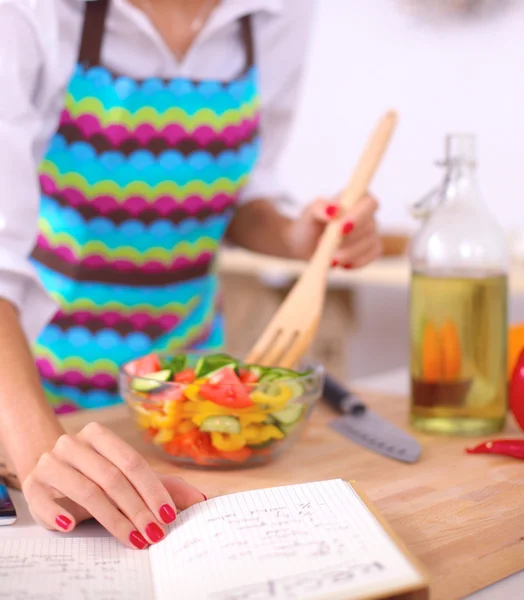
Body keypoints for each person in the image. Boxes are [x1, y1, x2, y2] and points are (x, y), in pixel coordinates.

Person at [0, 0, 381, 549]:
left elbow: (246, 194)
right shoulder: (33, 12)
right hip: (35, 391)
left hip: (189, 399)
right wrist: (40, 450)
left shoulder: (277, 12)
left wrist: (297, 237)